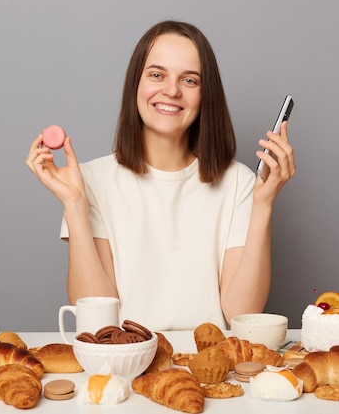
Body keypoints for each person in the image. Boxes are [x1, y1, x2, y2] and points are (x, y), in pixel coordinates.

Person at [26, 20, 295, 331]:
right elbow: (96, 321)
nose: (171, 91)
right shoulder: (92, 180)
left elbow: (241, 313)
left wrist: (264, 205)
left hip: (209, 370)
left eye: (190, 80)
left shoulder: (240, 183)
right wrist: (74, 204)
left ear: (206, 95)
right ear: (135, 85)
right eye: (157, 75)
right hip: (124, 364)